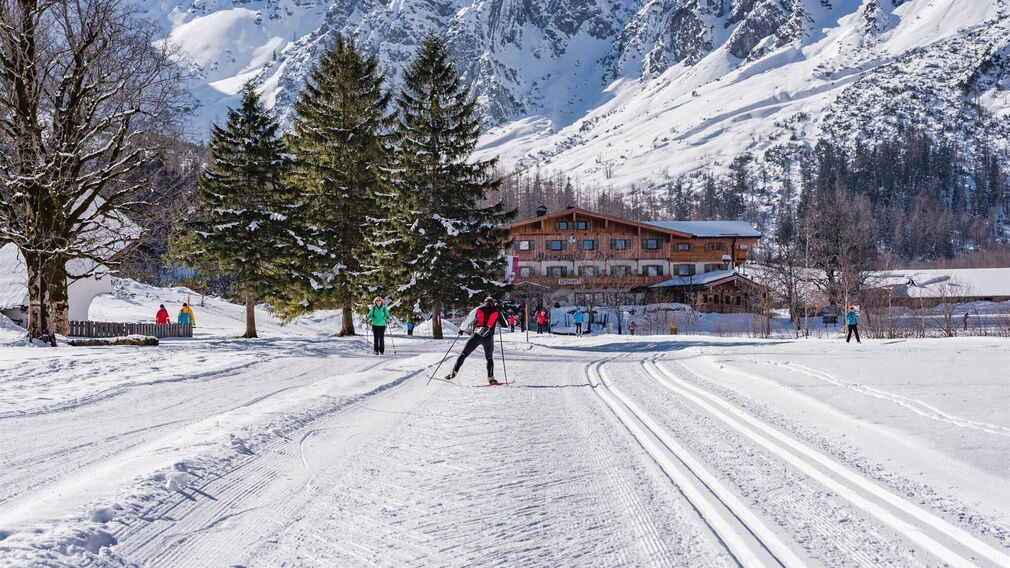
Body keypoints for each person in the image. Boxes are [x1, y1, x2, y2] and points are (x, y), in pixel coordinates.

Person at [444, 297, 505, 384]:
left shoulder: (477, 309)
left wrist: (462, 330)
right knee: (489, 358)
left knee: (463, 354)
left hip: (476, 336)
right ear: (493, 303)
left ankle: (453, 373)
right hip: (488, 337)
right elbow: (505, 324)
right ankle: (491, 378)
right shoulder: (497, 311)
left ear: (484, 302)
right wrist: (499, 318)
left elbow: (468, 320)